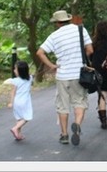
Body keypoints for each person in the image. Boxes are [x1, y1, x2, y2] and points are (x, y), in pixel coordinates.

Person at [36, 10, 93, 146]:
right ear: (68, 19)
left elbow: (40, 52)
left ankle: (64, 135)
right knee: (80, 102)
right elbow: (90, 50)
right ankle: (77, 125)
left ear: (57, 23)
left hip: (63, 75)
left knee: (63, 106)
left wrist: (52, 65)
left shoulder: (54, 36)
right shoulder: (80, 29)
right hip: (79, 74)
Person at [6, 60, 33, 141]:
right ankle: (15, 128)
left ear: (20, 72)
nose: (14, 70)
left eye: (15, 69)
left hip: (16, 102)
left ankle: (18, 134)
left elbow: (13, 92)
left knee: (19, 118)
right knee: (27, 117)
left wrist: (11, 102)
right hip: (25, 102)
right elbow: (31, 79)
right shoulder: (30, 78)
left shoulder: (15, 81)